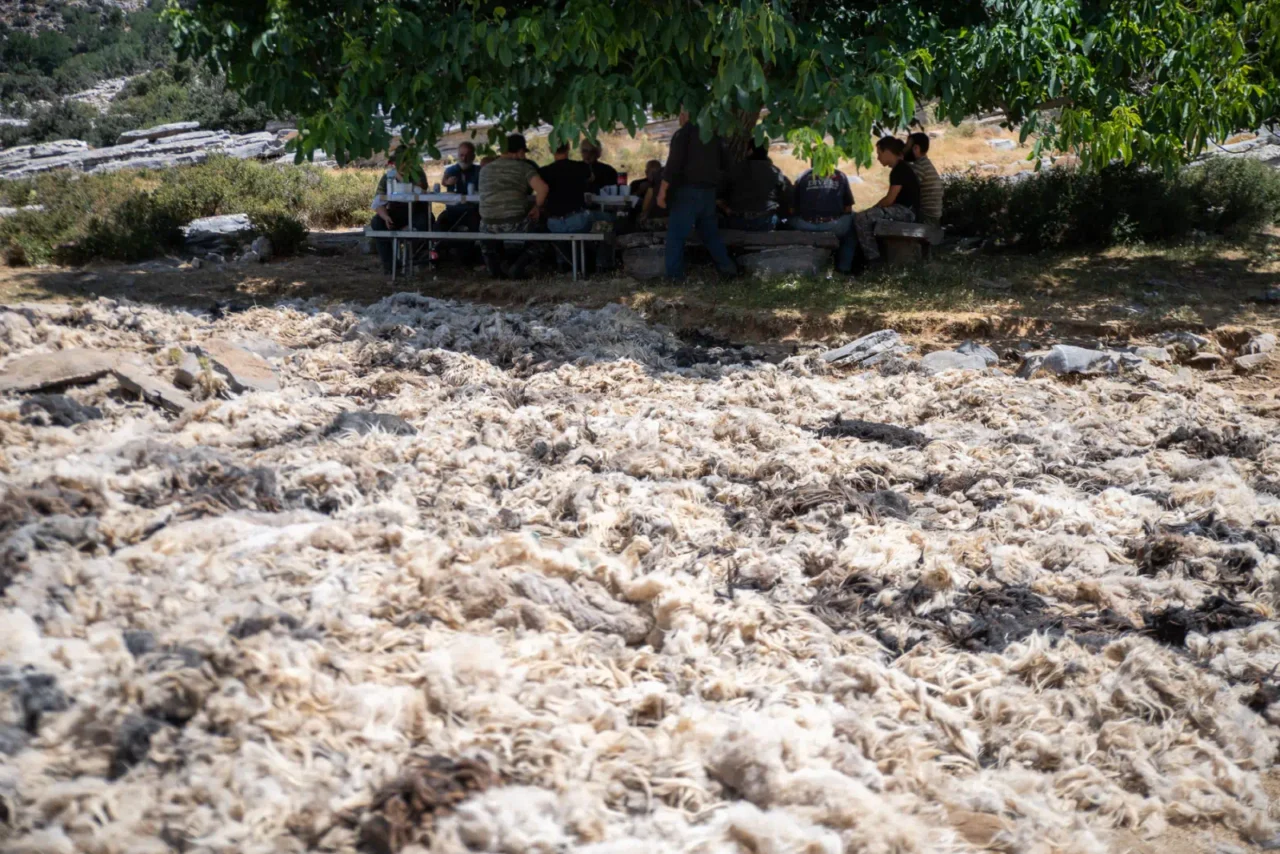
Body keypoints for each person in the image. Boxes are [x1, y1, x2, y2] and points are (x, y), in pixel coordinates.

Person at [657, 110, 737, 280]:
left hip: (686, 192)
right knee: (710, 235)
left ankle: (674, 278)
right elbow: (728, 165)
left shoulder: (683, 134)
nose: (679, 118)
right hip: (708, 193)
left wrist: (662, 192)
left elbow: (673, 165)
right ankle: (729, 270)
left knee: (676, 237)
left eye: (680, 114)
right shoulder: (714, 136)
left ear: (686, 115)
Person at [478, 133, 550, 279]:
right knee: (545, 232)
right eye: (523, 152)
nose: (524, 156)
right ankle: (518, 267)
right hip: (514, 222)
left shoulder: (485, 169)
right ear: (519, 151)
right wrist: (537, 207)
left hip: (486, 224)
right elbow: (543, 188)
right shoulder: (523, 167)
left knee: (488, 239)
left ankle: (495, 270)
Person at [853, 136, 921, 266]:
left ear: (888, 152)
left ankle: (873, 261)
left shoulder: (900, 169)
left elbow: (889, 200)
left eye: (879, 153)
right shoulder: (900, 168)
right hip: (905, 210)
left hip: (906, 212)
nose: (878, 158)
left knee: (861, 218)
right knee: (866, 216)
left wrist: (872, 209)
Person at [789, 161, 856, 273]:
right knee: (853, 224)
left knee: (786, 221)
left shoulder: (803, 176)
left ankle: (792, 265)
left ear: (811, 160)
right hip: (834, 227)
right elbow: (848, 209)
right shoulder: (840, 176)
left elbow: (791, 209)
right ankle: (844, 269)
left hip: (805, 226)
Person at [368, 154, 429, 275]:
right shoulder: (387, 178)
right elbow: (378, 202)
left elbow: (422, 190)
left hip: (417, 211)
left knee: (426, 223)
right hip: (397, 212)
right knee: (377, 223)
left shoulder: (417, 173)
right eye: (396, 162)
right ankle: (391, 266)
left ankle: (420, 263)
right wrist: (385, 217)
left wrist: (402, 178)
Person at [539, 143, 593, 270]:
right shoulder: (581, 167)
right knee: (607, 219)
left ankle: (563, 264)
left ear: (550, 149)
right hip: (577, 220)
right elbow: (591, 179)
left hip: (554, 223)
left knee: (559, 236)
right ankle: (600, 264)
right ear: (569, 148)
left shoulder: (544, 171)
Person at [720, 142, 790, 231]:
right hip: (766, 222)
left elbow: (719, 194)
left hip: (738, 222)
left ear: (750, 151)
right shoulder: (775, 171)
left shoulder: (735, 169)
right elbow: (787, 195)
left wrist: (727, 208)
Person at [438, 141, 481, 233]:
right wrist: (447, 182)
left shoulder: (479, 171)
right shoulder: (451, 170)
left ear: (473, 157)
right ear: (457, 155)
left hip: (473, 210)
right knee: (440, 223)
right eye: (461, 155)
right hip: (453, 209)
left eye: (467, 155)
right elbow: (443, 182)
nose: (464, 158)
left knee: (476, 222)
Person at [905, 131, 943, 226]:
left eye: (907, 146)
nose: (904, 149)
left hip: (925, 219)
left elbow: (906, 192)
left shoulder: (919, 167)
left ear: (916, 148)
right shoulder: (925, 164)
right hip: (932, 217)